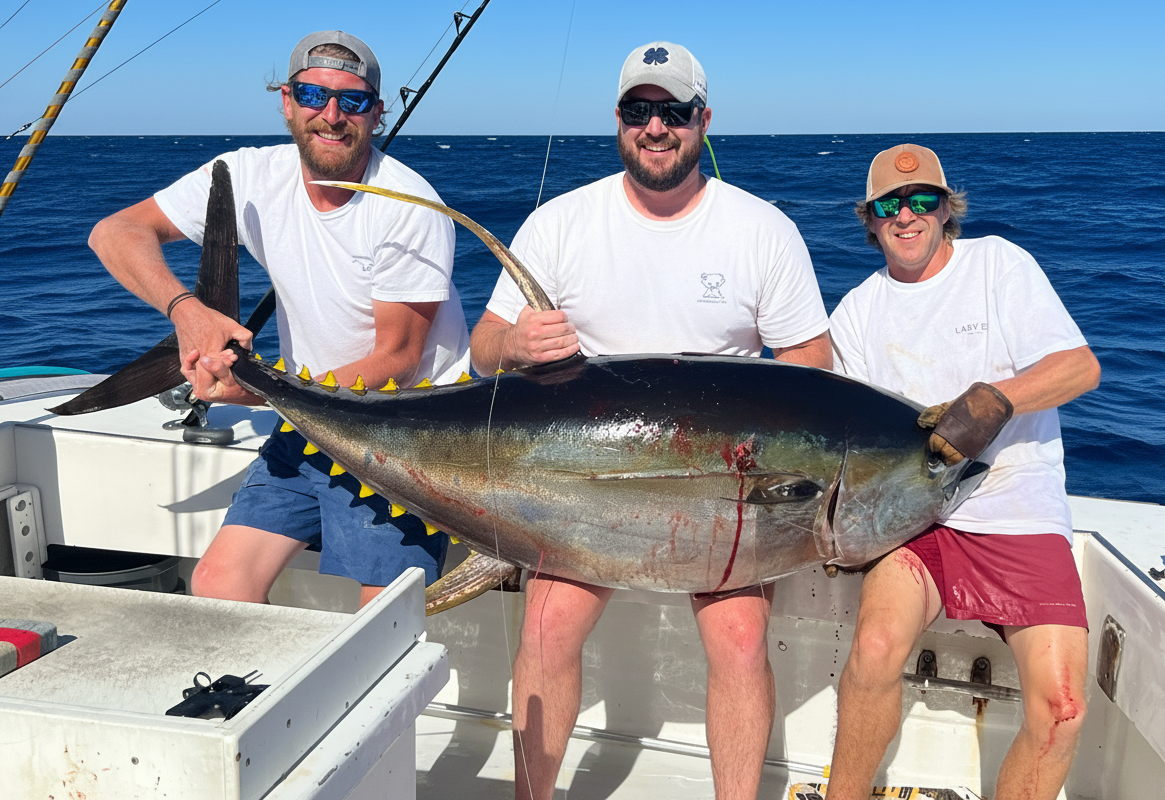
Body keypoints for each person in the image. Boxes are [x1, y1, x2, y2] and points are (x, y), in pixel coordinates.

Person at [470, 41, 833, 800]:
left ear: (704, 120)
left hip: (720, 485)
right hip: (586, 481)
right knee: (545, 629)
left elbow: (812, 362)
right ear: (618, 119)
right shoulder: (561, 221)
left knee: (738, 639)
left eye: (674, 111)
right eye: (640, 111)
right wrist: (512, 343)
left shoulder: (760, 228)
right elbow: (480, 354)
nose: (656, 127)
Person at [88, 31, 469, 608]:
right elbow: (115, 232)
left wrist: (265, 392)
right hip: (308, 419)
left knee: (384, 613)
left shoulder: (410, 204)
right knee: (218, 585)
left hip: (402, 431)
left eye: (354, 101)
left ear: (377, 112)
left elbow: (398, 359)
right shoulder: (245, 175)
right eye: (313, 95)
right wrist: (186, 311)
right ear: (286, 101)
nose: (333, 115)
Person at [825, 144, 1101, 799]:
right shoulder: (857, 313)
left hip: (1016, 512)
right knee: (873, 650)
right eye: (890, 204)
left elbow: (1080, 368)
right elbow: (844, 443)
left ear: (948, 209)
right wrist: (839, 525)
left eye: (924, 199)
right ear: (870, 220)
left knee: (1063, 708)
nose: (907, 215)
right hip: (916, 519)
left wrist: (998, 399)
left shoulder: (999, 264)